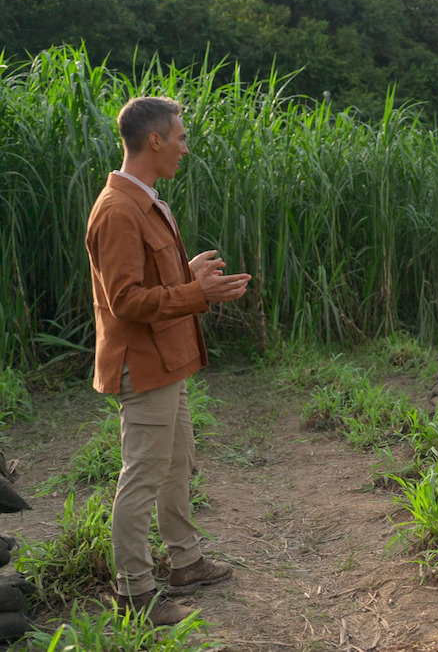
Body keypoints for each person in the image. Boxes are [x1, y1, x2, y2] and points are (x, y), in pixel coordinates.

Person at [86, 97, 250, 625]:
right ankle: (133, 592)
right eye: (180, 137)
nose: (185, 147)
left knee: (178, 462)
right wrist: (196, 293)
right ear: (154, 140)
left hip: (168, 358)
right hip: (143, 362)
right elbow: (126, 301)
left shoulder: (146, 201)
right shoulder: (117, 210)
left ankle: (186, 562)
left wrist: (189, 274)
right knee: (143, 474)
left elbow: (152, 284)